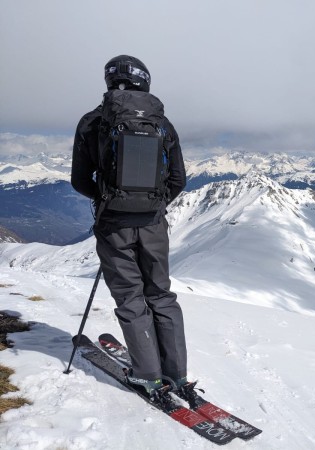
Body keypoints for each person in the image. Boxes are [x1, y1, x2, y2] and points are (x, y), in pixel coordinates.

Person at [71, 55, 200, 408]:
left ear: (110, 81)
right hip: (154, 225)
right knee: (161, 294)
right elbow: (178, 179)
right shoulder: (162, 123)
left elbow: (79, 180)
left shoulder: (92, 122)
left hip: (114, 226)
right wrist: (153, 205)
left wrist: (109, 199)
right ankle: (177, 373)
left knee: (131, 298)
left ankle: (147, 375)